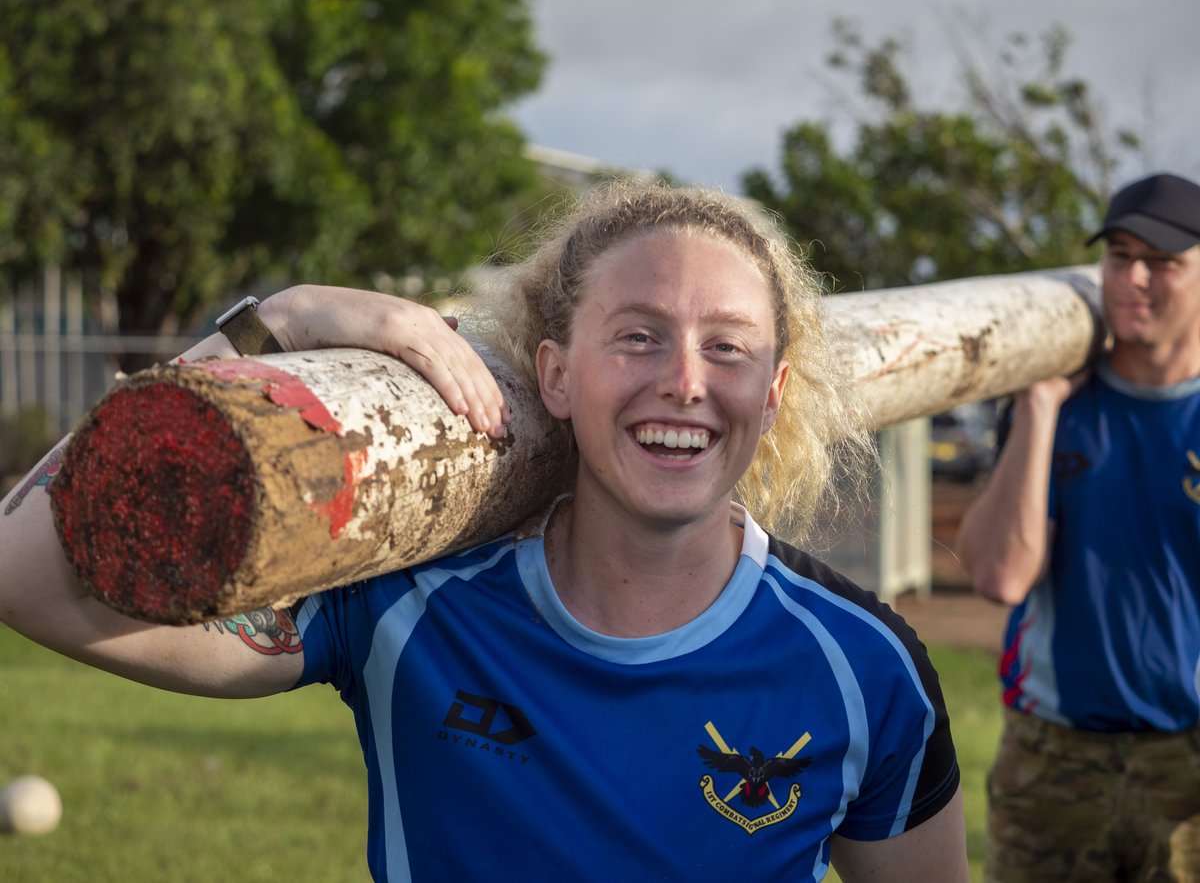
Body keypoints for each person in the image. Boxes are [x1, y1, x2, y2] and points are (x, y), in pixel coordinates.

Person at [1, 179, 966, 881]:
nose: (684, 379)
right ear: (554, 375)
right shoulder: (404, 606)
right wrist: (278, 323)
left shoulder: (863, 668)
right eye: (637, 334)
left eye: (729, 347)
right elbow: (22, 570)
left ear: (773, 392)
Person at [955, 171, 1200, 882]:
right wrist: (1038, 408)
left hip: (1187, 761)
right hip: (1053, 761)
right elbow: (1001, 575)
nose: (1135, 279)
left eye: (1163, 263)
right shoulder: (1058, 404)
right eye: (1120, 256)